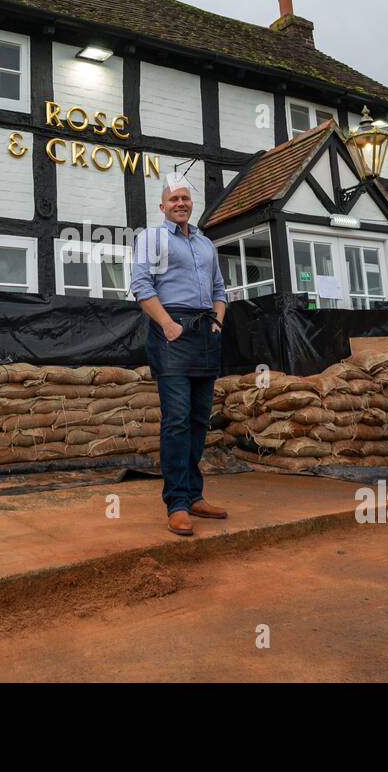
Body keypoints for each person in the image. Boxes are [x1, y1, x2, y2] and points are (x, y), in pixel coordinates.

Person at [130, 176, 229, 536]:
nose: (180, 203)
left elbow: (220, 289)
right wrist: (169, 325)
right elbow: (141, 285)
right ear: (163, 206)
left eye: (185, 198)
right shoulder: (152, 239)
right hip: (171, 334)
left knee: (200, 419)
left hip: (205, 333)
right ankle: (177, 503)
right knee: (177, 420)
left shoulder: (205, 244)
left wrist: (217, 322)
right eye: (174, 199)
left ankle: (194, 494)